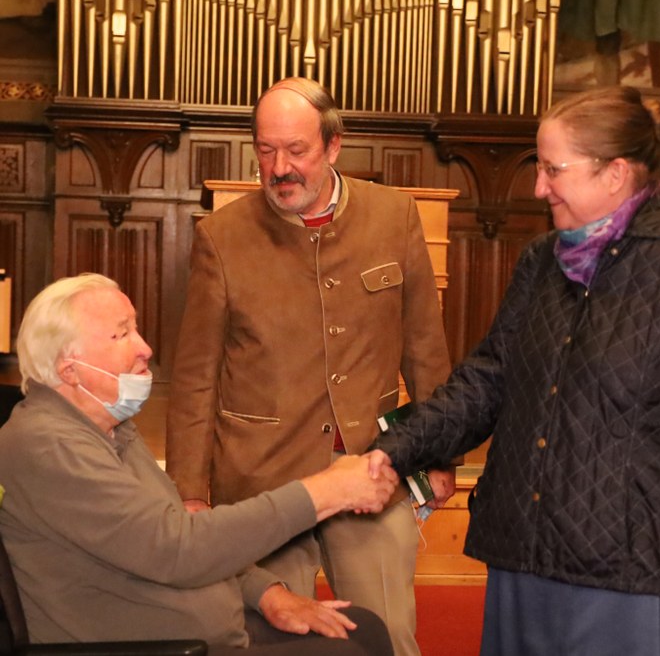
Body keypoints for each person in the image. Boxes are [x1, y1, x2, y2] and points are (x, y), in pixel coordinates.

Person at [372, 86, 660, 655]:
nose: (538, 187)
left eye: (553, 169)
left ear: (615, 174)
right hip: (523, 549)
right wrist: (393, 450)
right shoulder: (541, 261)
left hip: (626, 568)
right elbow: (486, 382)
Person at [166, 77, 453, 656]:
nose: (279, 168)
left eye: (296, 151)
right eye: (266, 150)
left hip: (371, 470)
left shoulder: (394, 217)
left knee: (390, 636)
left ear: (332, 146)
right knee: (277, 640)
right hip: (263, 480)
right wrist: (190, 491)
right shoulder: (221, 238)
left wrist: (438, 455)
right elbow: (196, 376)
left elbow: (425, 349)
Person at [0, 273, 397, 656]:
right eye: (122, 334)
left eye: (136, 329)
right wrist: (323, 492)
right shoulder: (47, 444)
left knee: (365, 631)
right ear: (70, 370)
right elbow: (178, 548)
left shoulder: (110, 427)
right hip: (153, 648)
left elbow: (178, 534)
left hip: (204, 629)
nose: (145, 348)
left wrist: (265, 592)